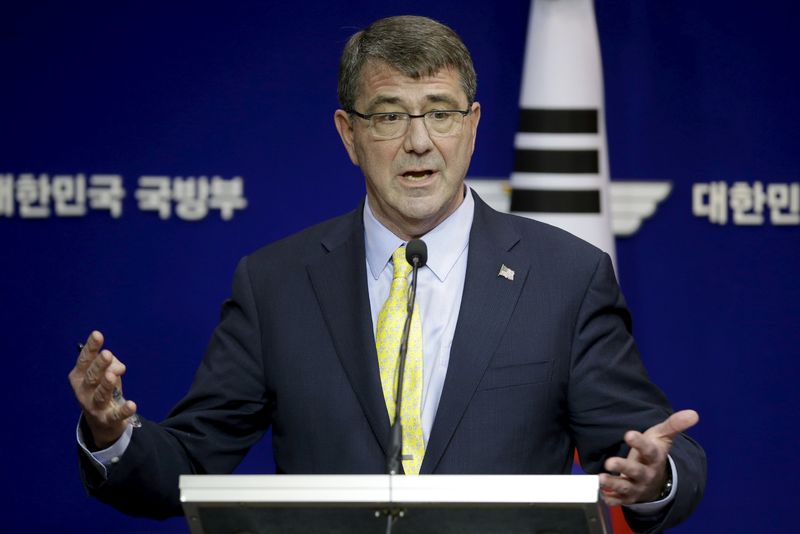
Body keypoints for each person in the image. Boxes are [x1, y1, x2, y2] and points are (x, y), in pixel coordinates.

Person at [69, 15, 705, 532]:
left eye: (441, 113)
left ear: (473, 126)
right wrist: (112, 432)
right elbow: (188, 461)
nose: (420, 141)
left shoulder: (566, 276)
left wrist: (653, 474)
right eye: (390, 115)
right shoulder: (276, 284)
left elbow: (644, 446)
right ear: (349, 134)